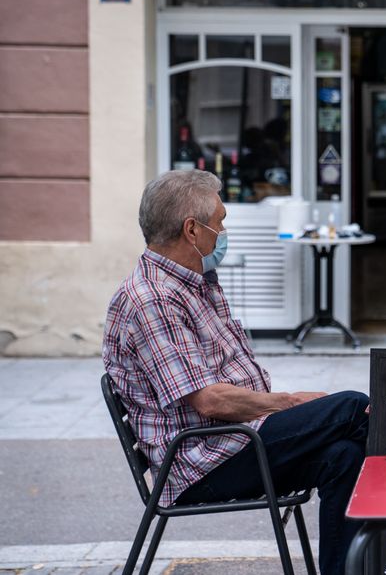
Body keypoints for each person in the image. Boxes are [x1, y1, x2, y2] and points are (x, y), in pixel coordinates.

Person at [102, 170, 368, 574]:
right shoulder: (151, 299)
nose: (223, 231)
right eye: (219, 221)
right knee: (353, 408)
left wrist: (285, 409)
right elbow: (210, 400)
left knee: (344, 456)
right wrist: (293, 403)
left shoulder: (195, 282)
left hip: (235, 440)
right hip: (203, 460)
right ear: (192, 230)